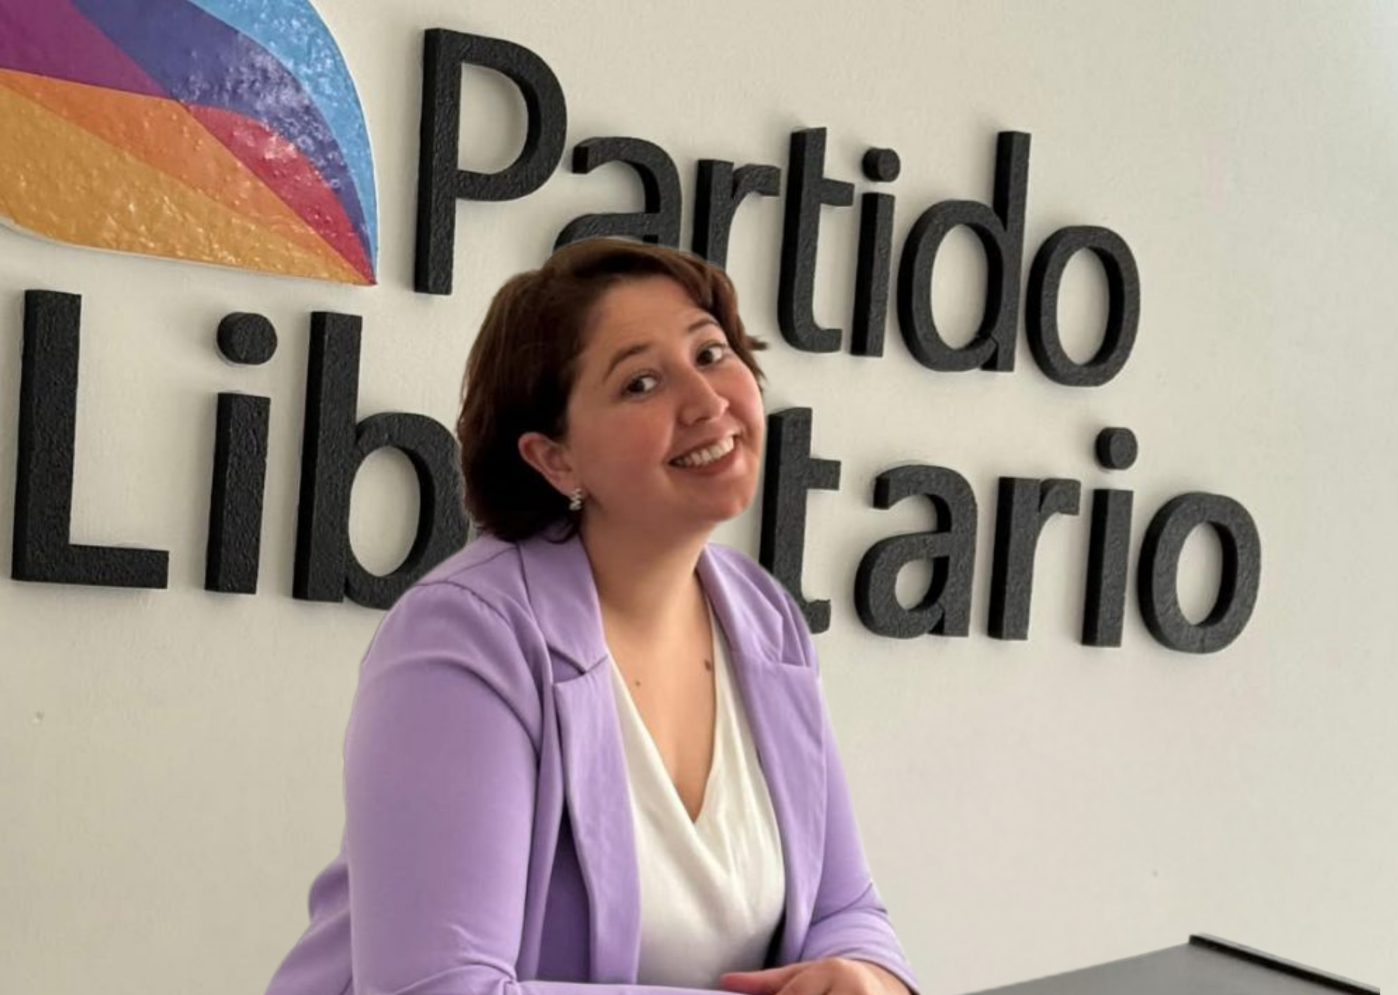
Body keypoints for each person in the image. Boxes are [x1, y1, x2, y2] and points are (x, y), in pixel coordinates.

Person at [263, 238, 919, 995]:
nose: (706, 402)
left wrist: (867, 980)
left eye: (710, 353)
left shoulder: (765, 618)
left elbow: (846, 907)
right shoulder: (467, 636)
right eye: (641, 383)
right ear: (556, 459)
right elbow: (439, 988)